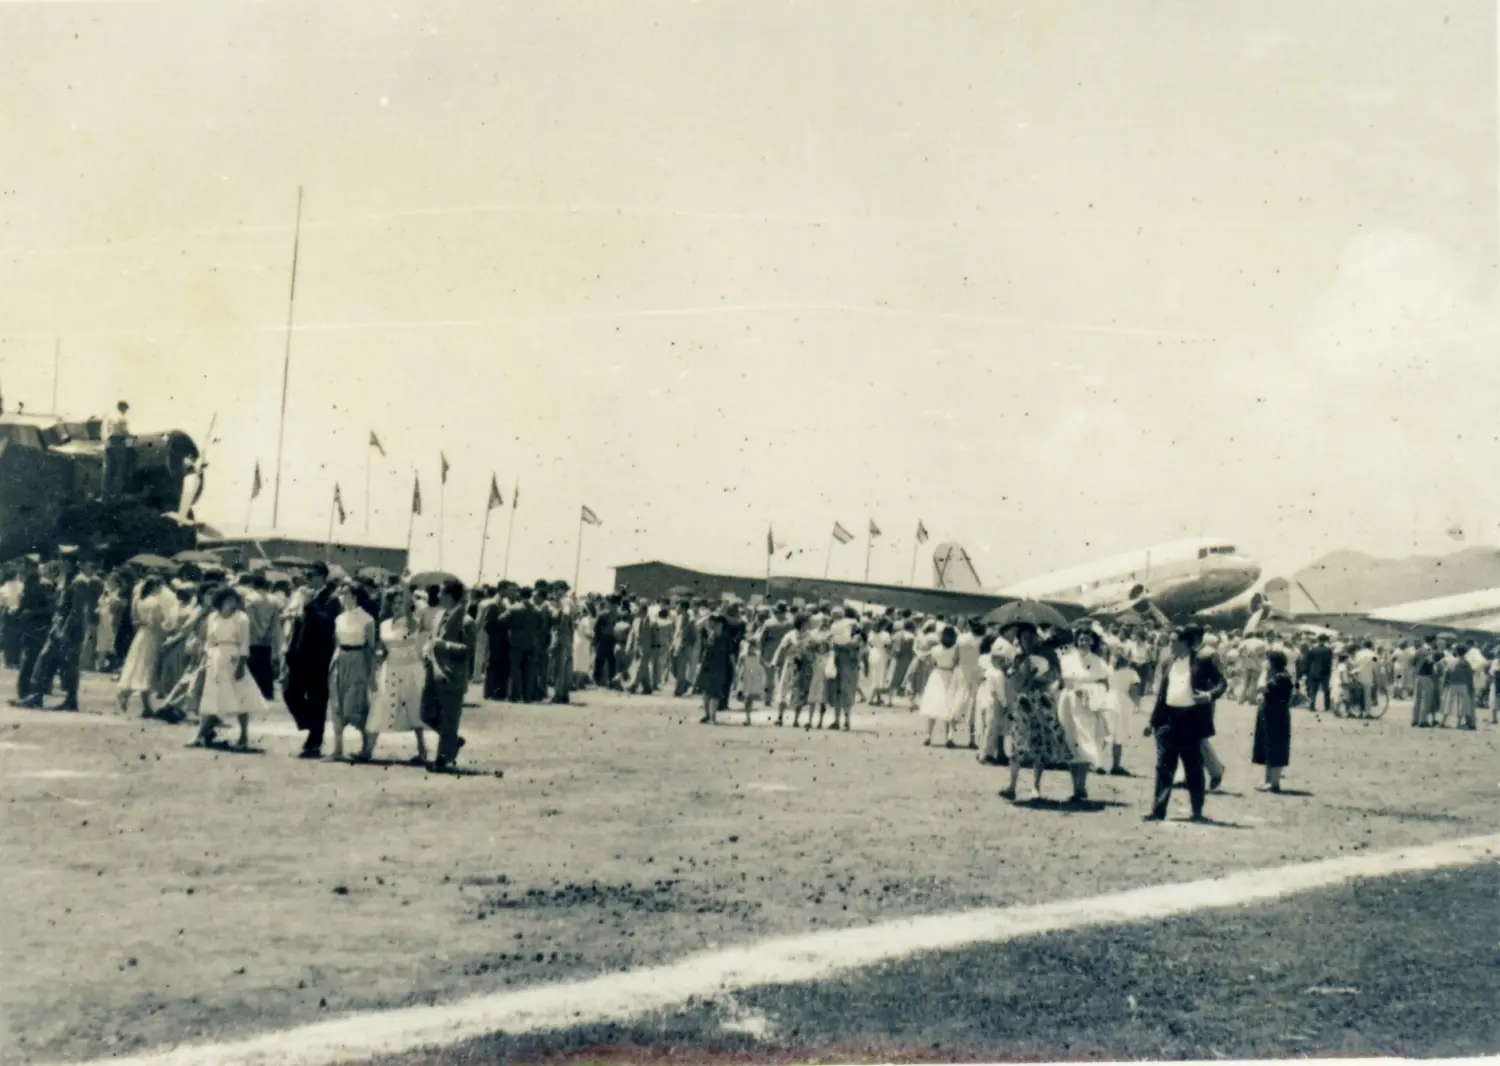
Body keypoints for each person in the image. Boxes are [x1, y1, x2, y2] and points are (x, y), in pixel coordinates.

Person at [1144, 626, 1226, 823]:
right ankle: (1158, 810)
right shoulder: (1167, 662)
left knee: (1193, 768)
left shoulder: (1203, 661)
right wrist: (1152, 722)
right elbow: (1162, 696)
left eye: (1175, 641)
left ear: (1188, 644)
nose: (1170, 644)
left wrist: (1208, 695)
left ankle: (1197, 811)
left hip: (1191, 720)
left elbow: (1222, 683)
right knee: (1164, 767)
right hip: (1168, 720)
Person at [192, 587, 264, 749]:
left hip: (233, 658)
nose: (231, 603)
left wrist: (240, 665)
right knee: (211, 697)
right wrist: (206, 658)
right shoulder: (213, 617)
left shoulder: (241, 618)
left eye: (233, 599)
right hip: (215, 659)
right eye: (227, 599)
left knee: (241, 698)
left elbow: (244, 644)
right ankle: (201, 735)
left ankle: (243, 736)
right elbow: (209, 640)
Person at [282, 562, 342, 758]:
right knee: (290, 693)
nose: (308, 578)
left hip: (319, 657)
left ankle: (314, 741)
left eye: (312, 574)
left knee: (318, 698)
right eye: (306, 574)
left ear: (323, 576)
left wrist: (309, 606)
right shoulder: (302, 596)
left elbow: (328, 624)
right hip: (299, 654)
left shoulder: (332, 599)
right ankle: (310, 722)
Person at [999, 623, 1064, 801]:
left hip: (1041, 701)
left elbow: (1057, 675)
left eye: (1031, 637)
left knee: (1039, 744)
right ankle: (1012, 785)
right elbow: (1012, 683)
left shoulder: (1048, 654)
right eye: (1024, 638)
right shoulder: (1016, 657)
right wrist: (1012, 675)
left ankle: (1036, 787)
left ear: (1037, 637)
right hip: (1021, 702)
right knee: (1016, 743)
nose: (1027, 641)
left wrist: (1042, 677)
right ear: (1019, 640)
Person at [366, 585, 429, 764]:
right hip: (390, 668)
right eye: (394, 602)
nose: (397, 606)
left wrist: (407, 593)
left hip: (410, 669)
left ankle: (422, 750)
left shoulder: (413, 621)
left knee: (414, 708)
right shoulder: (385, 624)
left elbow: (415, 626)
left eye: (401, 603)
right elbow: (382, 648)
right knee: (381, 705)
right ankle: (368, 749)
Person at [1055, 625, 1114, 803]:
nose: (1084, 643)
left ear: (1092, 642)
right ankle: (1077, 788)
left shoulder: (1098, 661)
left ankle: (1082, 785)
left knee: (1085, 740)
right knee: (1071, 741)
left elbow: (1105, 685)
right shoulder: (1067, 659)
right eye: (1081, 639)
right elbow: (1062, 681)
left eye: (1088, 640)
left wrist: (1089, 691)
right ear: (1076, 640)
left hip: (1087, 705)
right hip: (1068, 702)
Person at [22, 554, 88, 711]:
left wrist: (64, 630)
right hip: (57, 628)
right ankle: (36, 695)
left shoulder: (79, 581)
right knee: (44, 660)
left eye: (63, 562)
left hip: (69, 630)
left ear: (70, 563)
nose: (60, 565)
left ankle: (71, 700)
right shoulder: (66, 579)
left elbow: (75, 611)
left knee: (69, 665)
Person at [423, 579, 474, 771]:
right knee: (426, 713)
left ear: (451, 595)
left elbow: (468, 650)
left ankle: (443, 760)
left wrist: (445, 646)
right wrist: (428, 649)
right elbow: (433, 639)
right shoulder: (438, 616)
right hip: (433, 671)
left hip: (453, 676)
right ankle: (452, 741)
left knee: (449, 719)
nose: (439, 596)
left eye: (443, 592)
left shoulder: (466, 622)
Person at [327, 583, 377, 761]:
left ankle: (367, 746)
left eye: (345, 593)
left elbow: (371, 647)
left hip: (359, 660)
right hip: (340, 659)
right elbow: (336, 642)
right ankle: (337, 749)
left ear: (354, 596)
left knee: (353, 707)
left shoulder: (367, 619)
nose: (341, 596)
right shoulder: (339, 618)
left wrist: (372, 673)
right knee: (337, 705)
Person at [117, 576, 167, 717]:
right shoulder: (155, 603)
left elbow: (136, 619)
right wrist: (164, 634)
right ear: (155, 587)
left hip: (141, 635)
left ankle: (143, 705)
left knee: (138, 666)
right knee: (147, 668)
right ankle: (143, 704)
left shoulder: (140, 601)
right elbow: (157, 622)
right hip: (151, 635)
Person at [919, 625, 971, 747]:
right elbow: (957, 662)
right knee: (950, 707)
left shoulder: (936, 649)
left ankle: (928, 735)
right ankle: (950, 736)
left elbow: (932, 662)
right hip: (951, 675)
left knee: (933, 706)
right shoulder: (955, 650)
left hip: (937, 675)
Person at [1252, 649, 1294, 792]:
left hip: (1277, 717)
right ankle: (1268, 780)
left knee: (1276, 747)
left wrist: (1264, 672)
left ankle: (1274, 782)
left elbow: (1262, 687)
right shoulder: (1275, 675)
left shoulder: (1282, 676)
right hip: (1269, 715)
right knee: (1267, 746)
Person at [1441, 644, 1477, 730]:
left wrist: (1445, 684)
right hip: (1463, 685)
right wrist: (1471, 687)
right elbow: (1469, 676)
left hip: (1452, 684)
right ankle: (1458, 723)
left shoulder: (1451, 662)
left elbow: (1447, 673)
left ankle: (1443, 721)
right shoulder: (1466, 663)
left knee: (1448, 704)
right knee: (1462, 704)